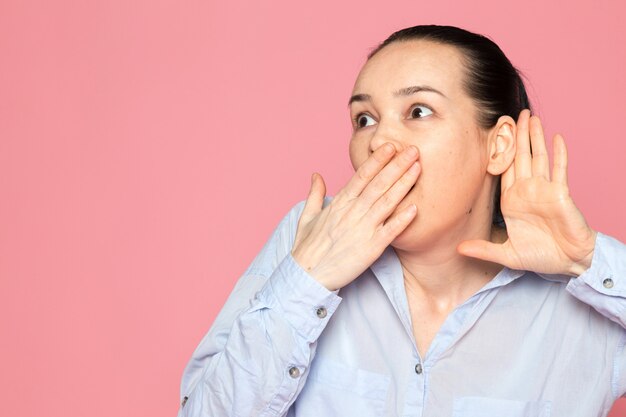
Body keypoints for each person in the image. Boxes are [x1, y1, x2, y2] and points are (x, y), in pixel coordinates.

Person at [177, 25, 626, 417]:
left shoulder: (581, 301)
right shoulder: (308, 236)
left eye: (418, 111)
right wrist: (306, 280)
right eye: (365, 119)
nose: (379, 141)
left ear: (499, 146)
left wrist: (586, 260)